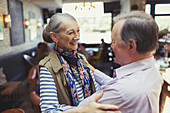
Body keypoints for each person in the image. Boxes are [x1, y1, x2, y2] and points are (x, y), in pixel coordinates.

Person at [64, 11, 163, 113]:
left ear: (131, 46)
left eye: (114, 41)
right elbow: (116, 83)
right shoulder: (153, 73)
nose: (111, 46)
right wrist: (92, 70)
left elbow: (82, 108)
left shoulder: (122, 91)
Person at [39, 13, 118, 113]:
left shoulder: (81, 59)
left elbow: (97, 90)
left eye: (78, 31)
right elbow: (48, 111)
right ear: (54, 37)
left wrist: (92, 70)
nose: (77, 37)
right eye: (70, 33)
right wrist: (83, 110)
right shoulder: (48, 67)